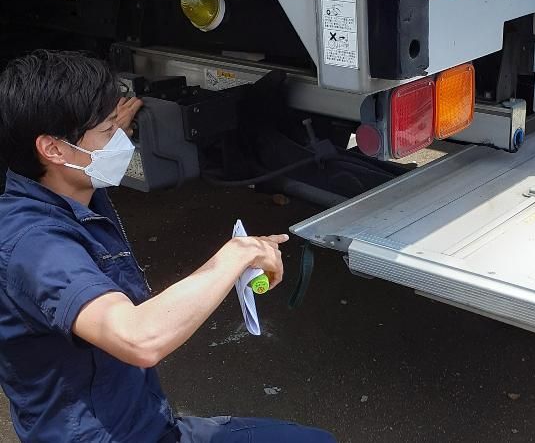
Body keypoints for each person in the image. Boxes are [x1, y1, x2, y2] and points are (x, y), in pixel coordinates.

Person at [0, 50, 336, 442]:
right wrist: (236, 254)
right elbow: (138, 338)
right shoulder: (34, 246)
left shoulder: (66, 185)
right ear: (54, 149)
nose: (122, 140)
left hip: (144, 423)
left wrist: (109, 121)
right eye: (108, 131)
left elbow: (89, 137)